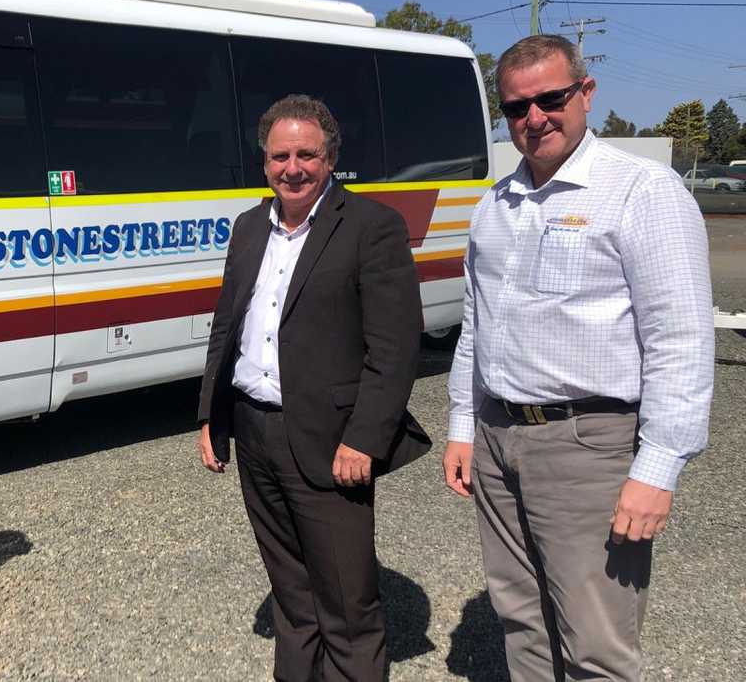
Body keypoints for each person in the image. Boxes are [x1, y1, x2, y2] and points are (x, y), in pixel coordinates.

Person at [442, 35, 714, 681]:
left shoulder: (641, 192)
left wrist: (659, 465)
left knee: (596, 644)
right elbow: (476, 322)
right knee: (522, 624)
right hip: (499, 438)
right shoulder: (495, 205)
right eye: (516, 108)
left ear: (585, 95)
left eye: (551, 98)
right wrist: (462, 423)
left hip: (587, 443)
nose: (534, 118)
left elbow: (681, 338)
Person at [196, 94, 424, 682]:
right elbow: (229, 326)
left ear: (330, 158)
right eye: (279, 156)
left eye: (306, 154)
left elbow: (395, 349)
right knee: (291, 593)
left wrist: (365, 439)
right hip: (255, 429)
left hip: (331, 440)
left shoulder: (372, 228)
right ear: (264, 162)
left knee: (347, 603)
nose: (291, 168)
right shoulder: (250, 228)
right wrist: (210, 416)